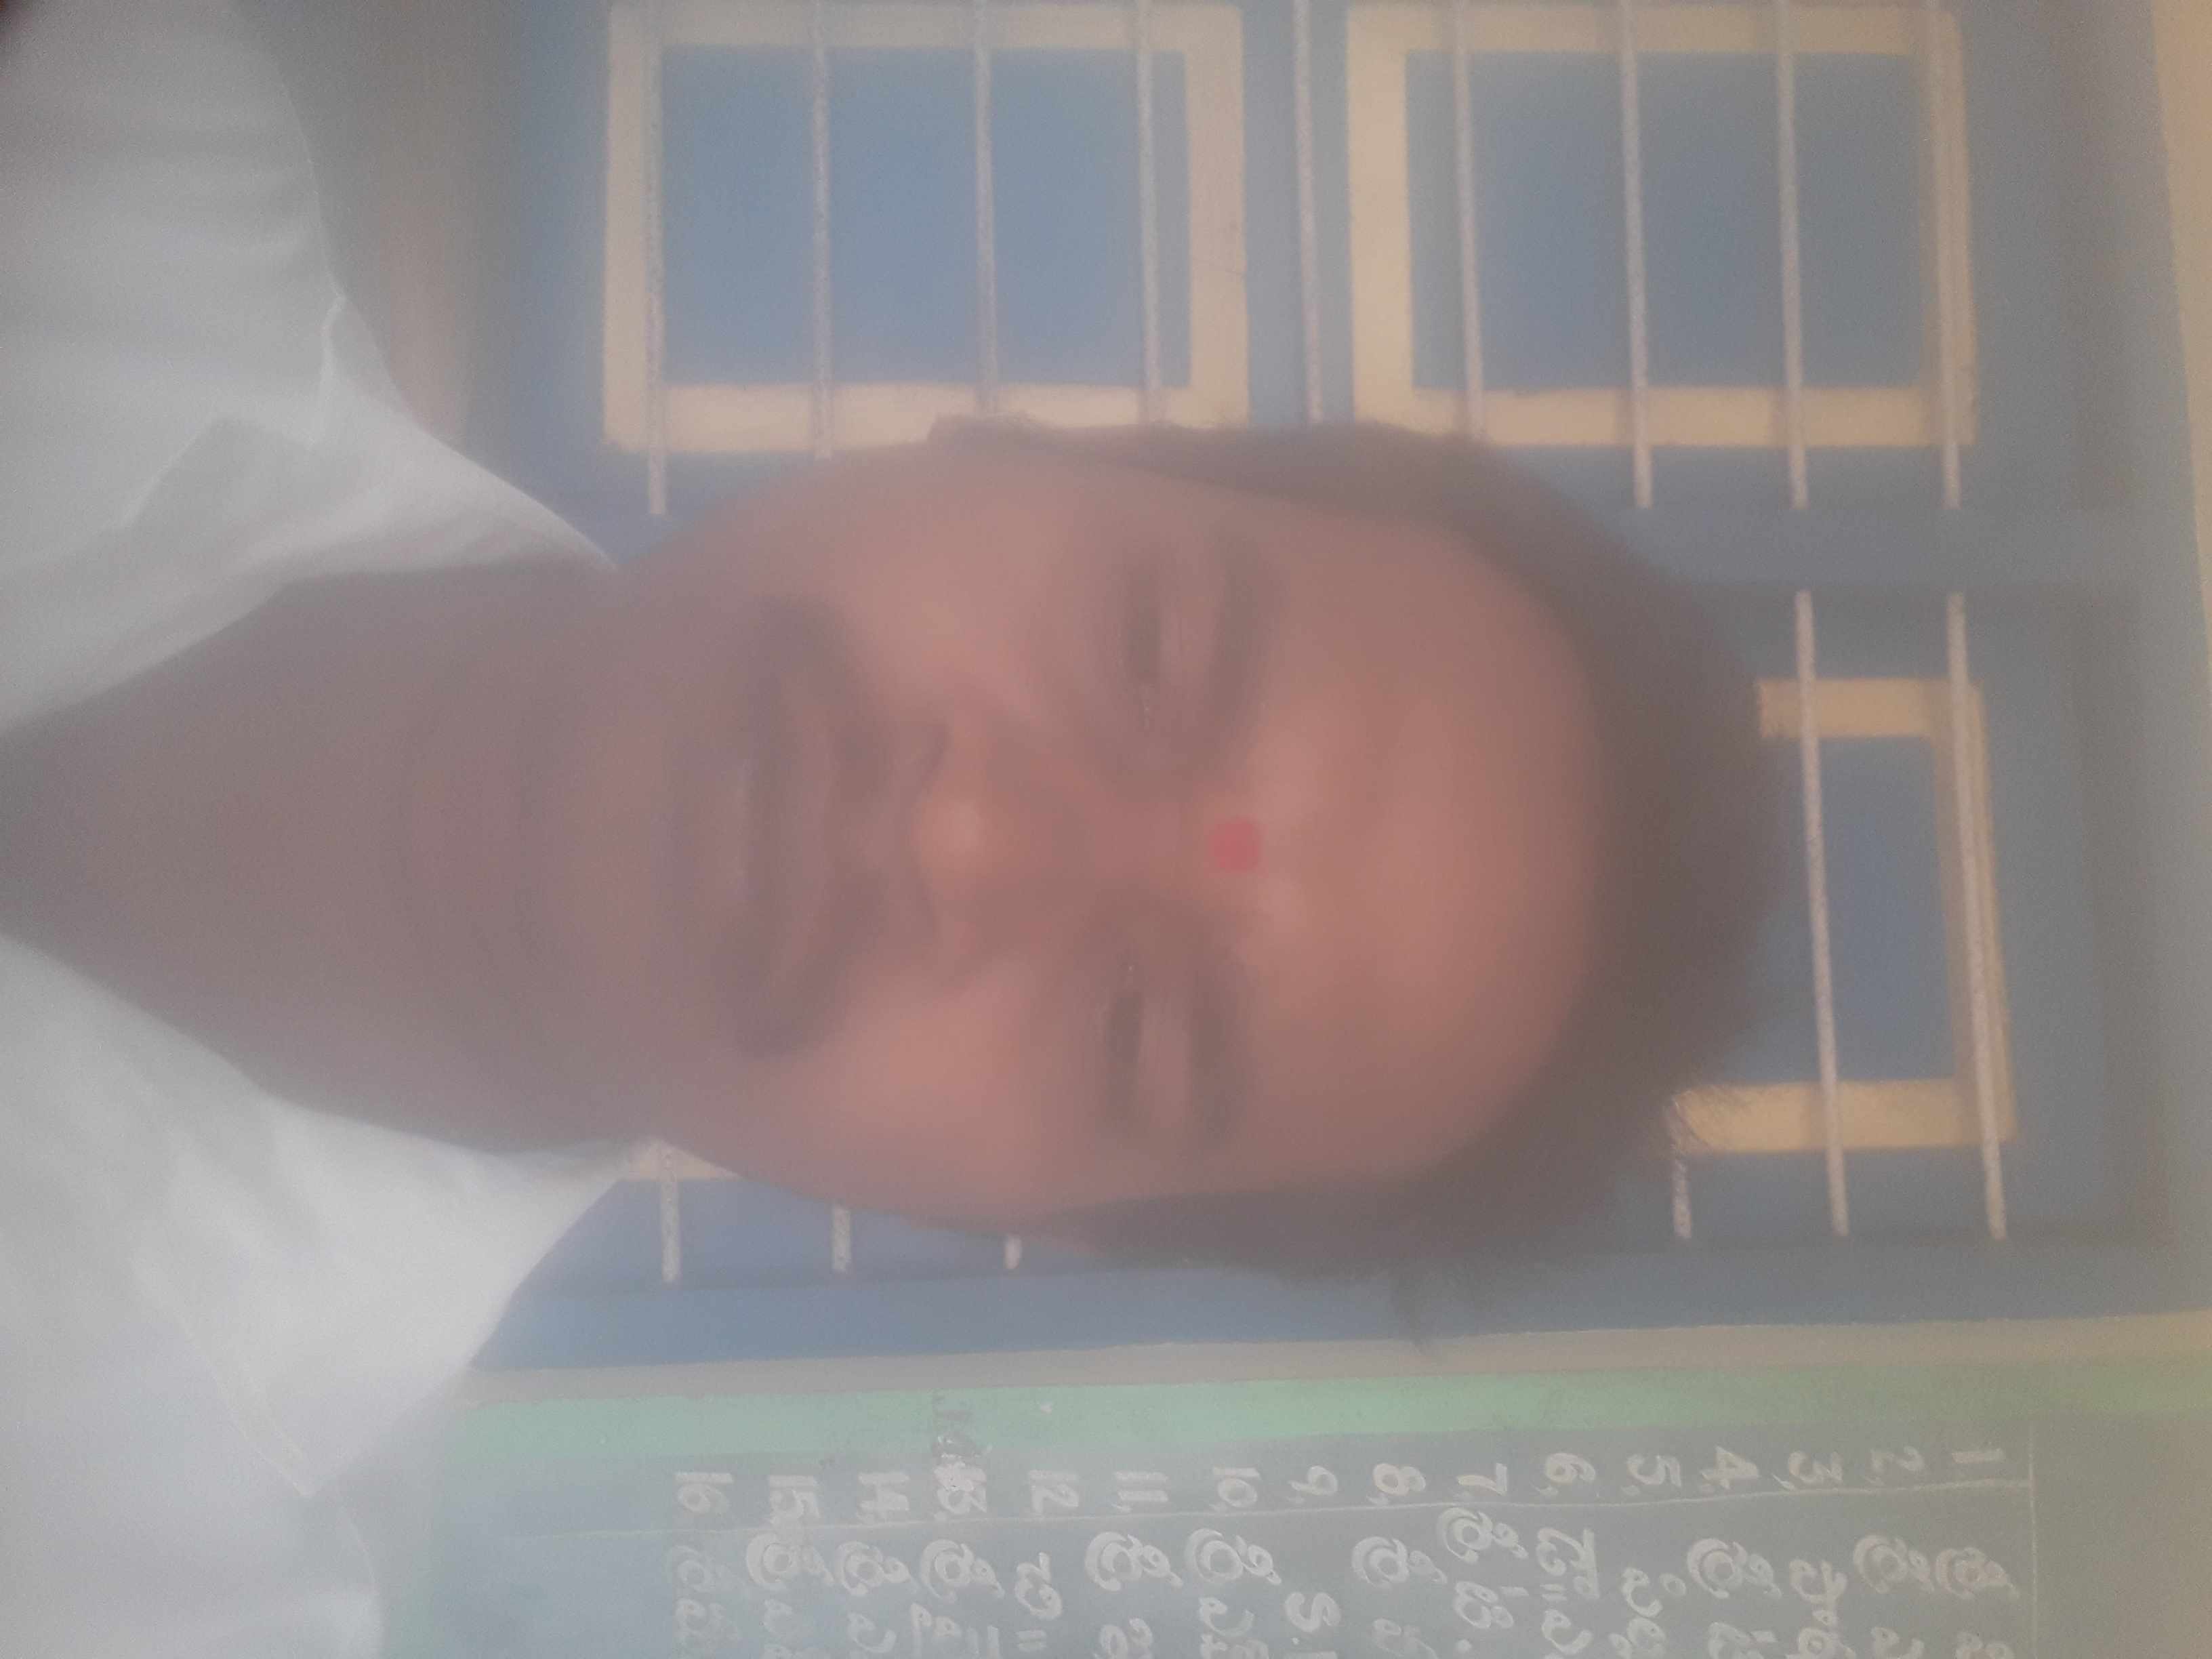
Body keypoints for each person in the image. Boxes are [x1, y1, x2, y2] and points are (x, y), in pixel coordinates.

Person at [0, 0, 1767, 1653]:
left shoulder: (137, 1579)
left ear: (1037, 1221)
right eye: (1149, 649)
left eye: (1138, 1037)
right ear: (1013, 441)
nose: (965, 843)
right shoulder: (97, 127)